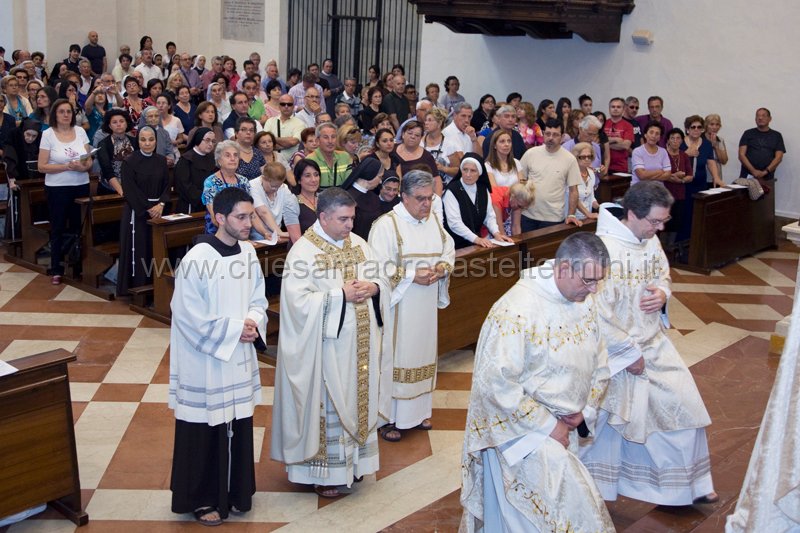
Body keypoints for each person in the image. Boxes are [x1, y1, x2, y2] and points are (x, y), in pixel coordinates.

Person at [460, 232, 613, 533]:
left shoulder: (582, 300)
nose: (594, 290)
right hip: (523, 434)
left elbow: (598, 357)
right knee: (559, 512)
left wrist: (583, 412)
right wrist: (549, 426)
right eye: (589, 281)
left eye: (599, 281)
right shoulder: (516, 310)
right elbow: (495, 383)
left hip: (567, 425)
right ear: (565, 268)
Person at [580, 181, 718, 507]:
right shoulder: (602, 250)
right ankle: (590, 490)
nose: (659, 228)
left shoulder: (649, 239)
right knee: (608, 426)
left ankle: (685, 487)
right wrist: (627, 354)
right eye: (654, 222)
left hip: (654, 344)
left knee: (683, 406)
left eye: (662, 222)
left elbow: (662, 276)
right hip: (614, 356)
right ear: (631, 213)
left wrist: (662, 294)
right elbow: (595, 310)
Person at [271, 187, 390, 499]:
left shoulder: (359, 244)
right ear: (322, 217)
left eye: (351, 218)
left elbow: (382, 277)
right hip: (326, 352)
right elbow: (297, 305)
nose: (350, 225)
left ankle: (354, 465)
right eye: (343, 219)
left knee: (359, 398)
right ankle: (324, 473)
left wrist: (373, 287)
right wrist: (341, 295)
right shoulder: (304, 253)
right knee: (330, 408)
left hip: (360, 345)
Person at [168, 186, 266, 527]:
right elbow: (185, 313)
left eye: (250, 215)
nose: (247, 222)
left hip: (237, 353)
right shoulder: (198, 259)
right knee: (204, 428)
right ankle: (201, 498)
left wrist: (253, 321)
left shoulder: (248, 253)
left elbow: (258, 297)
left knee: (238, 425)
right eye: (241, 216)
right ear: (219, 217)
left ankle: (237, 492)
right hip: (206, 358)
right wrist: (233, 330)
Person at [368, 169, 455, 442]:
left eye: (429, 198)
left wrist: (442, 268)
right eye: (420, 199)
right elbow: (376, 267)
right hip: (399, 308)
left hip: (425, 306)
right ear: (403, 197)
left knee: (423, 354)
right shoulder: (387, 225)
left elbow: (447, 249)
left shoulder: (433, 222)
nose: (426, 204)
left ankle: (418, 412)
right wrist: (410, 275)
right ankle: (388, 418)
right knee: (397, 357)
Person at [37, 98, 93, 284]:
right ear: (55, 114)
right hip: (57, 188)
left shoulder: (80, 131)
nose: (66, 115)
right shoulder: (48, 134)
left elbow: (89, 160)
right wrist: (67, 166)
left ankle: (78, 266)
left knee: (79, 227)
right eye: (61, 111)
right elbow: (42, 166)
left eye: (69, 111)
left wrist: (82, 167)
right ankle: (56, 268)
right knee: (59, 227)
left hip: (81, 185)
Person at [116, 125, 170, 296]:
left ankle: (157, 287)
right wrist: (148, 208)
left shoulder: (161, 161)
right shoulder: (129, 162)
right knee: (140, 250)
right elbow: (130, 190)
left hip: (158, 212)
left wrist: (161, 204)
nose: (147, 143)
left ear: (156, 140)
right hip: (137, 213)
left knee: (155, 250)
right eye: (143, 139)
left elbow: (167, 186)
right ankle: (137, 287)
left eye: (151, 139)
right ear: (137, 140)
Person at [518, 118, 582, 231]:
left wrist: (571, 214)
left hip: (553, 217)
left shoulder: (570, 159)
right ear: (543, 134)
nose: (550, 138)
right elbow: (520, 180)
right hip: (528, 214)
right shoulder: (531, 153)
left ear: (562, 137)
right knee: (527, 248)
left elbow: (573, 190)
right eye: (547, 134)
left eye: (555, 135)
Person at [443, 154, 514, 249]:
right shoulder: (451, 191)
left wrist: (496, 233)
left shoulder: (483, 189)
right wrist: (476, 239)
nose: (468, 174)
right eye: (465, 170)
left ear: (479, 172)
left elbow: (489, 216)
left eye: (473, 171)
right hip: (455, 244)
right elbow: (454, 223)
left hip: (476, 243)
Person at [738, 107, 786, 184]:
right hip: (747, 177)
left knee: (767, 196)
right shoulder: (748, 133)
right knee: (744, 196)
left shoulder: (777, 136)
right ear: (755, 119)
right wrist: (753, 171)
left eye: (764, 116)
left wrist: (765, 172)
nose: (760, 118)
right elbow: (741, 155)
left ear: (770, 119)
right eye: (758, 116)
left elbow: (778, 157)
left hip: (767, 178)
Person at [175, 128, 217, 213]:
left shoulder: (212, 158)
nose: (210, 144)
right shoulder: (186, 160)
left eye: (213, 141)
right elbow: (184, 186)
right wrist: (204, 198)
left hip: (211, 204)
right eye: (207, 140)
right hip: (191, 205)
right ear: (198, 139)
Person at [96, 108, 137, 195]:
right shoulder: (103, 144)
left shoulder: (135, 141)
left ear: (126, 123)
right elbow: (107, 170)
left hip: (133, 187)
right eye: (114, 122)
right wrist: (122, 192)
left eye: (121, 121)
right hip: (109, 189)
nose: (119, 124)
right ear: (110, 126)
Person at [340, 156, 384, 239]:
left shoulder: (374, 197)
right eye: (380, 177)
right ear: (370, 174)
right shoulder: (347, 199)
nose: (381, 181)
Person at [283, 159, 321, 242]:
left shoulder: (324, 199)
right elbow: (296, 239)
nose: (314, 180)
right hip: (302, 250)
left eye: (316, 175)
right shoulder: (292, 202)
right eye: (307, 176)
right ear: (299, 180)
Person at [306, 122, 353, 188]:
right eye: (325, 137)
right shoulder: (310, 160)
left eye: (333, 137)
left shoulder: (345, 156)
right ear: (317, 141)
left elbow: (350, 183)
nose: (330, 141)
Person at [264, 94, 303, 159]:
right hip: (273, 162)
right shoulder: (270, 121)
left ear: (293, 106)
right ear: (279, 106)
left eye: (289, 104)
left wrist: (272, 138)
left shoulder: (300, 123)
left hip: (292, 162)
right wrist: (288, 143)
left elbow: (293, 142)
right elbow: (265, 142)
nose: (286, 106)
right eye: (283, 104)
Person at [604, 97, 634, 175]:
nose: (615, 109)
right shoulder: (603, 124)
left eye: (618, 107)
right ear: (609, 109)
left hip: (621, 167)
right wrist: (616, 139)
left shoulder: (628, 126)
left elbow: (625, 146)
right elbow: (597, 142)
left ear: (623, 110)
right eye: (613, 107)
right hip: (603, 166)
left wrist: (605, 143)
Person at [571, 142, 599, 220]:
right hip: (572, 217)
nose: (587, 159)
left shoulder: (591, 173)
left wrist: (600, 207)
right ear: (576, 158)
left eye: (589, 156)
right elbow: (573, 198)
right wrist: (588, 214)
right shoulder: (571, 174)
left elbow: (591, 197)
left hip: (587, 217)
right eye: (583, 157)